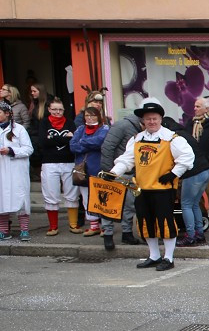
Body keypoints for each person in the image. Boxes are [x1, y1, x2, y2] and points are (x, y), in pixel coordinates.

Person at [110, 98, 194, 271]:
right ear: (143, 120)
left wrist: (173, 174)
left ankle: (169, 258)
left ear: (161, 119)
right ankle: (154, 255)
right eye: (148, 118)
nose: (151, 121)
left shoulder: (171, 138)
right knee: (145, 223)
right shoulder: (137, 139)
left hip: (163, 189)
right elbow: (127, 160)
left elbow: (187, 158)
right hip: (141, 188)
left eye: (154, 118)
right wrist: (114, 173)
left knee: (165, 223)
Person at [31, 98, 79, 236]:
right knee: (51, 193)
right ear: (49, 110)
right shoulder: (44, 123)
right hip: (49, 163)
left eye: (60, 109)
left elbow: (74, 141)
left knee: (71, 192)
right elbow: (43, 142)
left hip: (68, 162)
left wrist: (52, 139)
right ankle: (53, 226)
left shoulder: (70, 122)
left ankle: (73, 224)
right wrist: (66, 138)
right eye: (55, 109)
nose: (58, 112)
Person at [99, 107, 144, 250]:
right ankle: (108, 235)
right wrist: (109, 172)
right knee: (109, 205)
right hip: (116, 171)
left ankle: (127, 233)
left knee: (129, 206)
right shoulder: (122, 125)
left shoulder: (139, 129)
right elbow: (107, 147)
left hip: (131, 173)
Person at [69, 106, 109, 237]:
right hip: (82, 170)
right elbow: (73, 146)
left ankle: (105, 226)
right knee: (86, 198)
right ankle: (93, 226)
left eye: (93, 115)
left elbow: (100, 142)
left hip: (98, 168)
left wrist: (83, 142)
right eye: (87, 115)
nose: (90, 118)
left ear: (98, 116)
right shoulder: (80, 129)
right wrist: (87, 144)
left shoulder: (104, 128)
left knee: (101, 198)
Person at [186, 98, 209, 232]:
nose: (194, 108)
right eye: (195, 106)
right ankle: (202, 216)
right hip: (193, 165)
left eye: (198, 106)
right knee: (197, 194)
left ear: (207, 109)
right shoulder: (190, 123)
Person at [0, 101, 33, 241]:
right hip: (2, 169)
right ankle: (3, 230)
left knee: (21, 198)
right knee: (2, 198)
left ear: (7, 113)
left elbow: (28, 149)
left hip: (17, 170)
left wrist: (11, 151)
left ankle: (24, 230)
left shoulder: (19, 129)